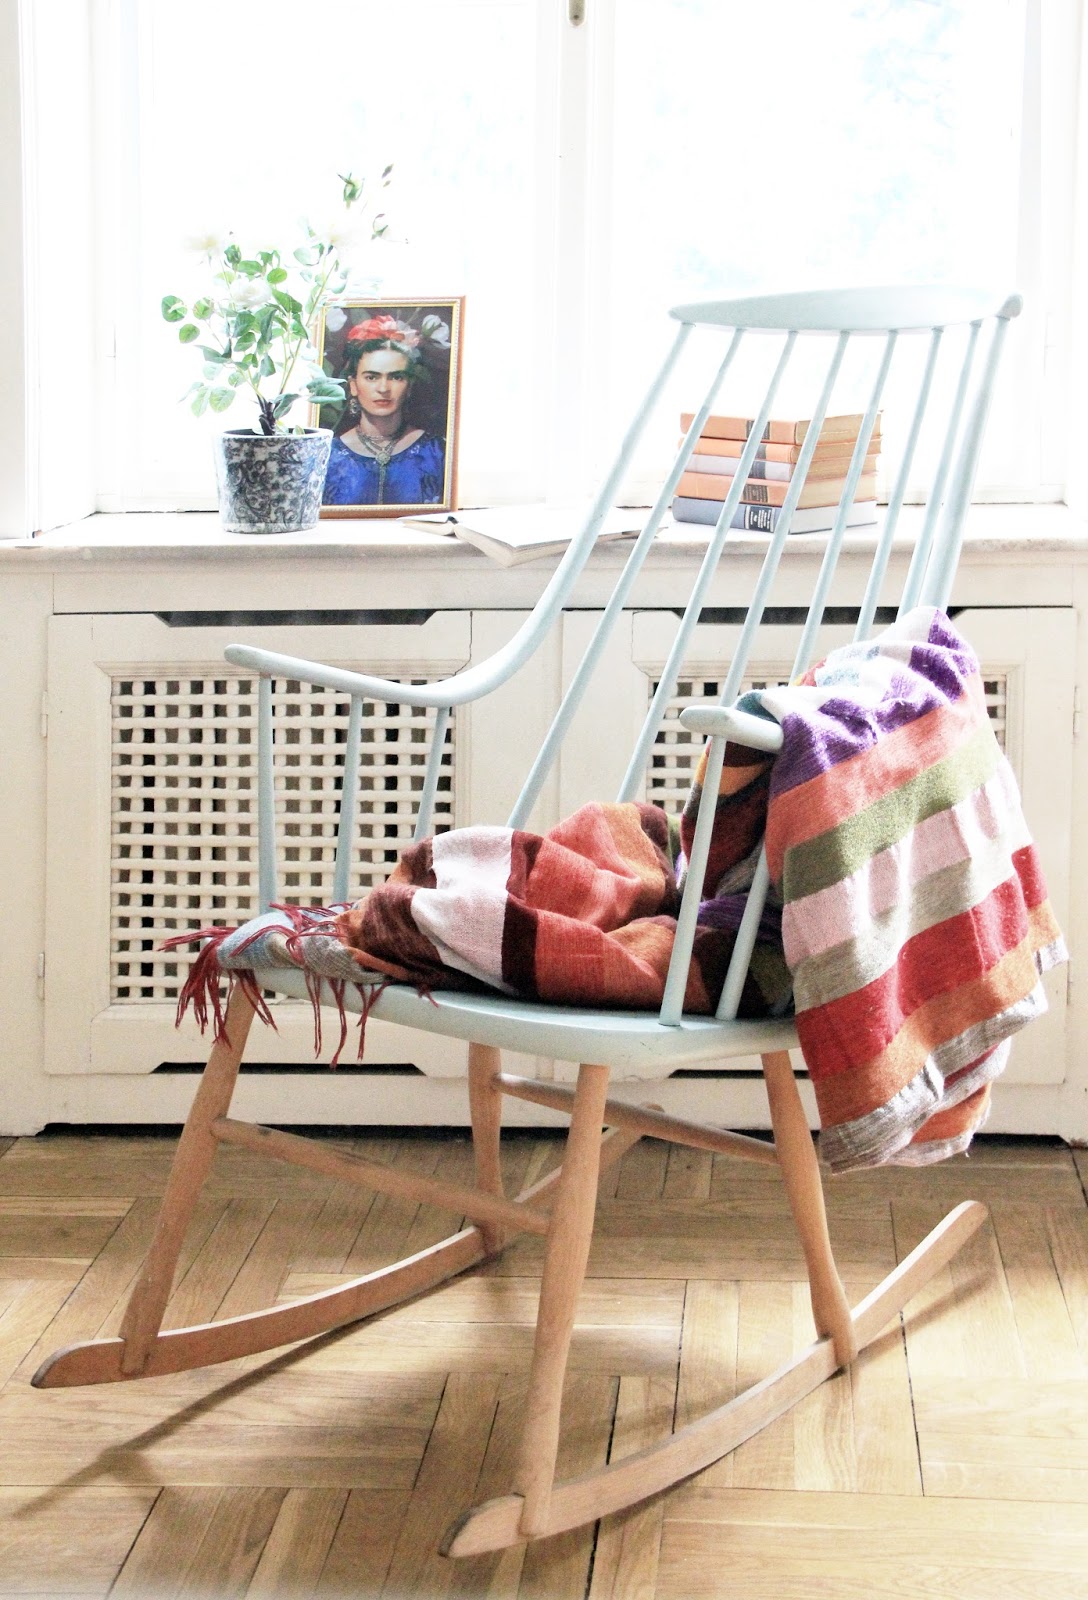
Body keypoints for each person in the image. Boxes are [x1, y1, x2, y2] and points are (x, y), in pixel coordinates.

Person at [322, 314, 446, 507]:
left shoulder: (437, 452)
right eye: (371, 377)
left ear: (409, 386)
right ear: (353, 385)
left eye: (396, 377)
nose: (383, 388)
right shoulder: (328, 455)